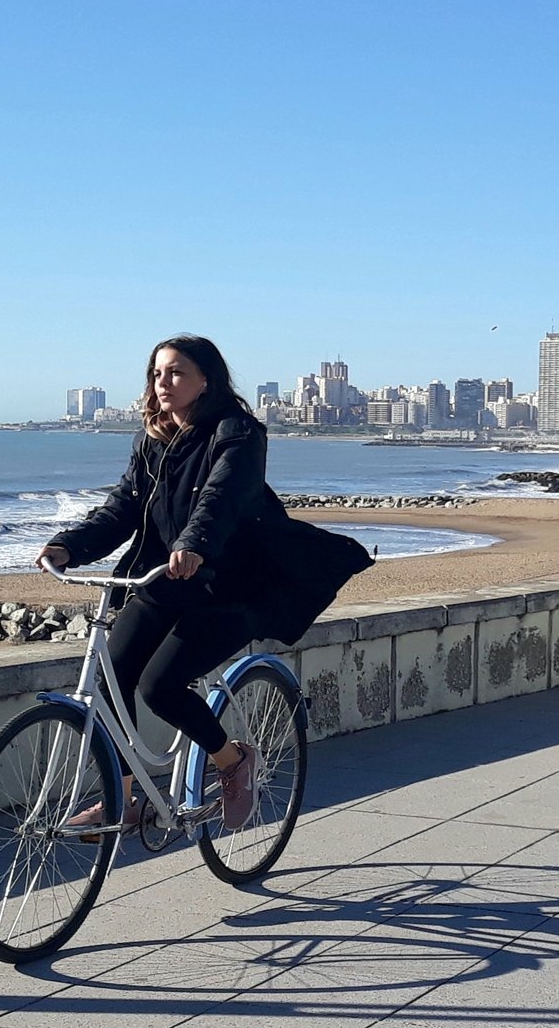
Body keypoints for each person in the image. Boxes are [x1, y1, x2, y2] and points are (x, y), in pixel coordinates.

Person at [38, 334, 372, 831]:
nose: (163, 382)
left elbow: (223, 496)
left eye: (176, 372)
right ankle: (122, 799)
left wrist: (194, 544)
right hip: (165, 578)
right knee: (113, 676)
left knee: (159, 686)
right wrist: (69, 546)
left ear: (206, 380)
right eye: (157, 373)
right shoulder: (152, 440)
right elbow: (122, 508)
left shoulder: (238, 432)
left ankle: (232, 760)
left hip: (229, 584)